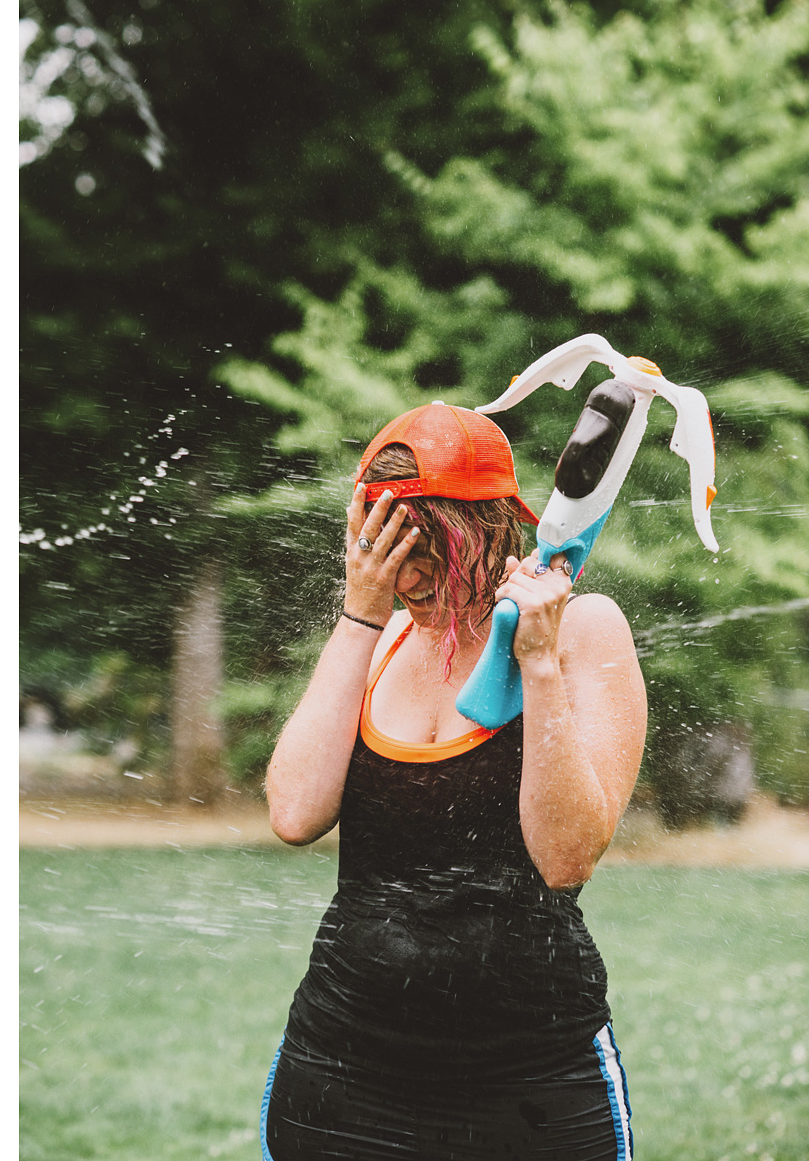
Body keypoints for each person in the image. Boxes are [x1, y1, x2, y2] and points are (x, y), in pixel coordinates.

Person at [261, 401, 644, 1160]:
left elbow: (566, 858)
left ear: (491, 529)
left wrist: (536, 663)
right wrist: (358, 615)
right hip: (342, 1072)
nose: (407, 575)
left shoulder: (583, 631)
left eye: (427, 545)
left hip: (532, 1081)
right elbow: (295, 812)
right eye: (384, 544)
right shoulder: (377, 636)